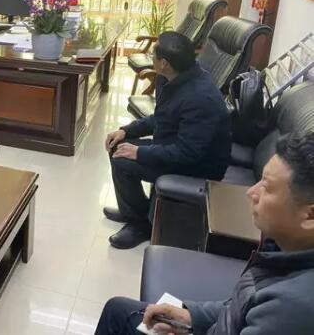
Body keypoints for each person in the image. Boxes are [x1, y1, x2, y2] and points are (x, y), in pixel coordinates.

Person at [94, 131, 314, 335]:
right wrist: (192, 316)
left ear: (310, 216)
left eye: (267, 187)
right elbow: (240, 306)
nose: (251, 192)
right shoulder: (282, 248)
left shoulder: (292, 308)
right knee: (117, 311)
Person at [104, 31, 231, 249]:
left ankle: (141, 225)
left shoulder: (200, 98)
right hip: (174, 145)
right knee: (118, 145)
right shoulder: (170, 78)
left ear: (164, 63)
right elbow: (161, 117)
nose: (150, 57)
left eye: (153, 54)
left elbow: (188, 153)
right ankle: (135, 211)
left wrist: (139, 152)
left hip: (198, 166)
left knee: (122, 159)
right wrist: (126, 130)